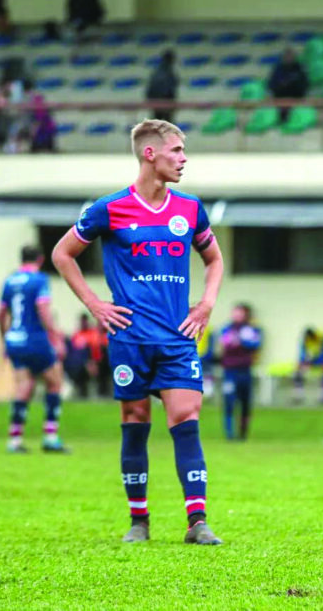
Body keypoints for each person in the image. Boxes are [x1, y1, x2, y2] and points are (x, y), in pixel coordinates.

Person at [52, 119, 225, 545]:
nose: (184, 159)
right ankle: (139, 521)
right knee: (134, 420)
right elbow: (62, 253)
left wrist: (205, 305)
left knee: (186, 419)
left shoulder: (190, 210)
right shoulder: (108, 209)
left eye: (184, 151)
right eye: (177, 151)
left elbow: (215, 260)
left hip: (177, 337)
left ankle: (197, 522)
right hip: (129, 338)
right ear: (151, 154)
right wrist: (94, 304)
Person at [0, 245, 68, 454]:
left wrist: (5, 338)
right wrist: (56, 336)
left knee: (24, 386)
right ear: (40, 259)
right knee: (55, 383)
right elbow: (43, 309)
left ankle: (15, 439)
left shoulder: (9, 281)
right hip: (35, 338)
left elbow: (0, 314)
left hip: (15, 339)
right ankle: (50, 436)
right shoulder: (39, 280)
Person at [218, 304, 263, 440]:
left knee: (245, 403)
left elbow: (255, 345)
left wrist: (241, 341)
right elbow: (225, 344)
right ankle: (229, 434)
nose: (236, 315)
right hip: (230, 372)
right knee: (229, 402)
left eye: (239, 313)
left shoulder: (252, 329)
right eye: (234, 312)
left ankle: (243, 433)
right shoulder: (227, 329)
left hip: (245, 371)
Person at [267, 47, 308, 123]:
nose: (288, 58)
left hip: (296, 97)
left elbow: (304, 84)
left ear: (294, 57)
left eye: (290, 56)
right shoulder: (278, 69)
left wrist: (290, 84)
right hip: (280, 96)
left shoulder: (299, 68)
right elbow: (271, 84)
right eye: (286, 56)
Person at [294, 327, 323, 403]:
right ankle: (299, 395)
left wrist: (317, 361)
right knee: (297, 373)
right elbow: (302, 355)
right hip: (309, 363)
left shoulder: (322, 338)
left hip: (320, 363)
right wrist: (303, 362)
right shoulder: (305, 341)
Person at [146, 50, 179, 123]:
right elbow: (171, 86)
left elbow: (150, 88)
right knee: (168, 124)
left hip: (155, 101)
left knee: (157, 123)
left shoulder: (156, 71)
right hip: (165, 101)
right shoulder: (168, 71)